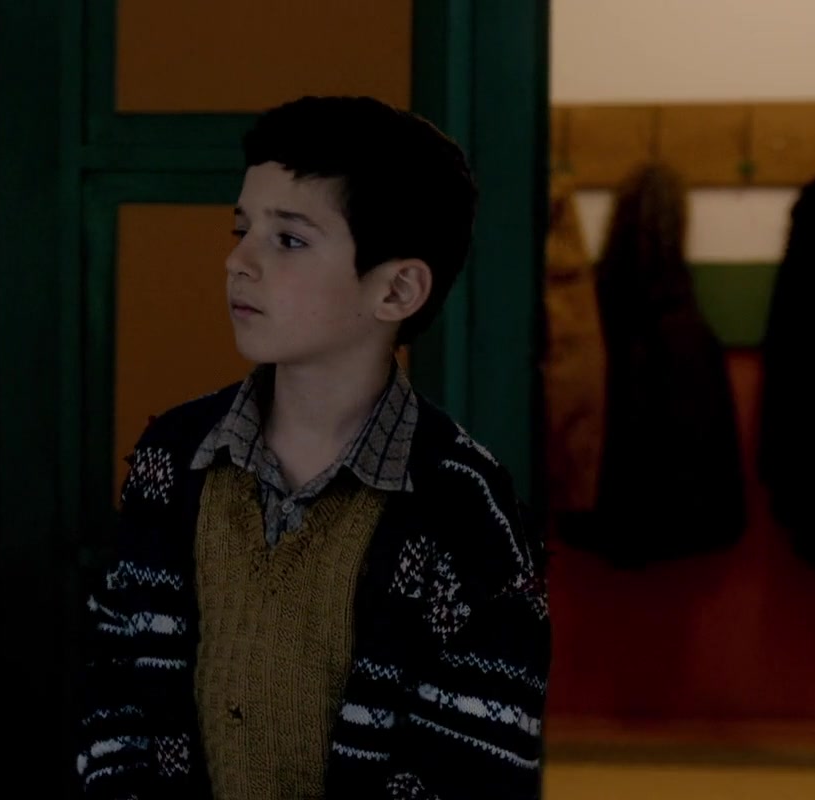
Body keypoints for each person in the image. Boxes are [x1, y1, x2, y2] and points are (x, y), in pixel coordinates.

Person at [76, 96, 550, 799]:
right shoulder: (172, 457)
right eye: (242, 229)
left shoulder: (465, 508)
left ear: (397, 289)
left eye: (289, 241)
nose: (238, 261)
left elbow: (475, 764)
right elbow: (116, 682)